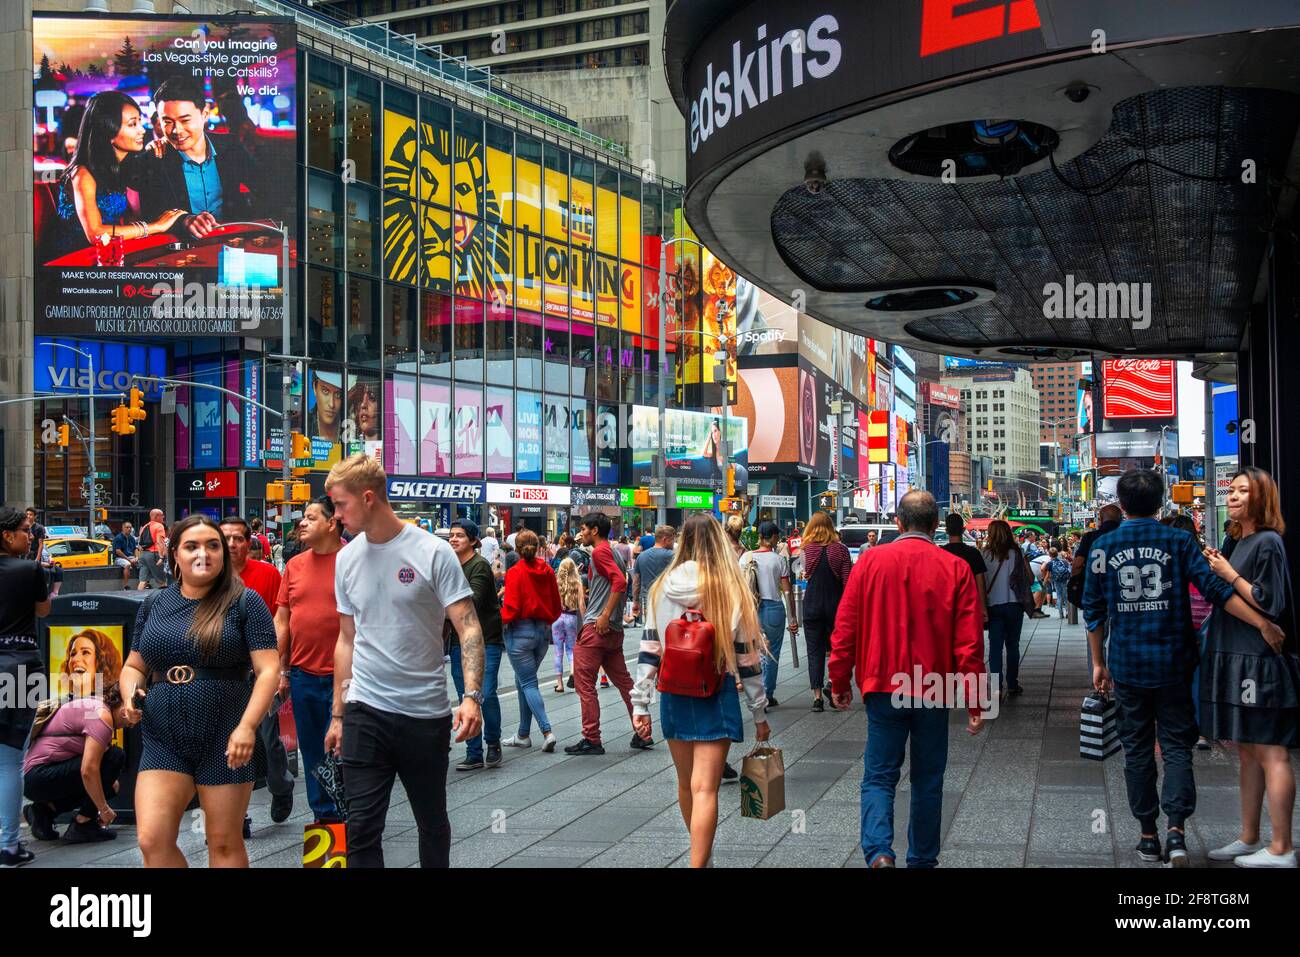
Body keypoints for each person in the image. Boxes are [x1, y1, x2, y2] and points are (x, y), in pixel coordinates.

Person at [1084, 468, 1284, 867]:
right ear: (1160, 503)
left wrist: (1098, 663)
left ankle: (1147, 835)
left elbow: (1093, 611)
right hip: (1175, 662)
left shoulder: (1103, 548)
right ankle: (1177, 831)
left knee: (1136, 750)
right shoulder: (1178, 541)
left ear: (1122, 504)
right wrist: (1261, 621)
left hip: (1127, 663)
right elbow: (1217, 591)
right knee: (1177, 747)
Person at [323, 454, 486, 868]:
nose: (335, 515)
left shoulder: (433, 552)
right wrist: (339, 714)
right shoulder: (346, 559)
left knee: (431, 821)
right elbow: (346, 639)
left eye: (340, 505)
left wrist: (471, 696)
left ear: (368, 498)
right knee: (360, 826)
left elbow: (467, 627)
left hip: (424, 713)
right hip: (365, 709)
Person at [830, 491, 985, 868]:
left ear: (898, 522)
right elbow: (970, 642)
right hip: (933, 686)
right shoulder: (955, 568)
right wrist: (976, 700)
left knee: (880, 775)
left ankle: (880, 851)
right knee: (928, 780)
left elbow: (845, 627)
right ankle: (922, 860)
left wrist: (838, 680)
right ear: (935, 526)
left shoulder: (870, 562)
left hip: (883, 682)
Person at [118, 514, 280, 867]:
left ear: (223, 554)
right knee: (152, 840)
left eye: (212, 546)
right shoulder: (154, 605)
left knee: (223, 842)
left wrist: (247, 727)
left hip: (226, 735)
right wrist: (131, 694)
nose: (202, 554)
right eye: (191, 546)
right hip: (163, 736)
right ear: (174, 553)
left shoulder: (244, 602)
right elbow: (133, 666)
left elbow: (268, 669)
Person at [635, 514, 770, 867]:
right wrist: (759, 711)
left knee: (685, 784)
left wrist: (640, 704)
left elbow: (650, 648)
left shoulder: (662, 586)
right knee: (705, 787)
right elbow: (746, 656)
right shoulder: (729, 586)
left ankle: (701, 858)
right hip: (716, 689)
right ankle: (699, 863)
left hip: (673, 690)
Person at [1199, 468, 1298, 868]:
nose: (1234, 496)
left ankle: (1282, 848)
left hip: (1256, 661)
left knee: (1270, 751)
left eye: (1244, 491)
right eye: (1233, 489)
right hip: (1235, 654)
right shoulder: (1236, 538)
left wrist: (1229, 573)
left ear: (1261, 499)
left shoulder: (1268, 542)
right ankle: (1249, 836)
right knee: (1247, 751)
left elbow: (1268, 602)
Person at [219, 516, 294, 825]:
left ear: (250, 542)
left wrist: (281, 670)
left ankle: (281, 785)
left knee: (266, 739)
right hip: (221, 676)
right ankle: (239, 814)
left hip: (258, 674)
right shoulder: (208, 576)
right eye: (226, 538)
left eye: (239, 538)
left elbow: (284, 622)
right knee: (223, 742)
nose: (233, 544)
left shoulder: (266, 574)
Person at [274, 497, 345, 822]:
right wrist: (281, 669)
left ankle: (353, 812)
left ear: (332, 522)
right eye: (303, 517)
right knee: (314, 751)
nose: (302, 523)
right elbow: (282, 621)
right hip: (303, 675)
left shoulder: (353, 560)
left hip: (347, 677)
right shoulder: (295, 565)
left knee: (346, 748)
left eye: (311, 518)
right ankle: (325, 816)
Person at [56, 91, 187, 255]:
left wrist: (154, 152)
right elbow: (95, 233)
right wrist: (156, 227)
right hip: (78, 260)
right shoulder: (82, 173)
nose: (142, 130)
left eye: (140, 121)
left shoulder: (124, 166)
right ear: (108, 130)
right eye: (132, 124)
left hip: (111, 253)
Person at [128, 77, 260, 236]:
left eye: (185, 120)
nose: (176, 130)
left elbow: (264, 187)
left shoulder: (230, 146)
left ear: (204, 114)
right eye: (167, 121)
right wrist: (184, 220)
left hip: (232, 240)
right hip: (181, 248)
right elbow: (151, 216)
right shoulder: (154, 159)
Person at [566, 513, 647, 755]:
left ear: (594, 530)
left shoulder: (600, 552)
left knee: (585, 685)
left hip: (597, 627)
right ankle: (644, 731)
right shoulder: (612, 551)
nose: (581, 533)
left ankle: (591, 737)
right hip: (613, 630)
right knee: (624, 682)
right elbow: (620, 580)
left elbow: (619, 583)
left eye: (583, 528)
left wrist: (603, 614)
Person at [0, 508, 52, 867]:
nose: (29, 535)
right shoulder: (29, 570)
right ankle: (7, 843)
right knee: (10, 759)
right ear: (6, 535)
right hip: (21, 665)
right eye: (24, 530)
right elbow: (44, 611)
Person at [22, 684, 127, 844]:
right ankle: (83, 824)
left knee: (112, 786)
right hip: (39, 775)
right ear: (120, 702)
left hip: (33, 778)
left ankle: (44, 811)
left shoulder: (94, 705)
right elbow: (88, 770)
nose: (132, 719)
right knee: (115, 756)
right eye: (133, 708)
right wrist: (103, 809)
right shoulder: (101, 715)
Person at [445, 519, 505, 771]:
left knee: (486, 693)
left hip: (486, 639)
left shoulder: (479, 565)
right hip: (458, 641)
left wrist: (441, 607)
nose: (454, 539)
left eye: (459, 535)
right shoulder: (449, 566)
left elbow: (474, 600)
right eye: (451, 535)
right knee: (465, 696)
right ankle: (473, 751)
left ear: (472, 540)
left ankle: (492, 743)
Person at [499, 529, 562, 753]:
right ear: (538, 547)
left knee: (527, 683)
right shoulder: (546, 570)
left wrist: (501, 619)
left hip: (520, 632)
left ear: (516, 547)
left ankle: (547, 730)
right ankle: (523, 734)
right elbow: (556, 603)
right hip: (542, 632)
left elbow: (512, 606)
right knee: (523, 681)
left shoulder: (515, 572)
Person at [740, 521, 799, 708]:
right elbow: (787, 591)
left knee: (755, 652)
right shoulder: (778, 560)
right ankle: (767, 693)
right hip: (773, 608)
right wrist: (793, 617)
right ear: (773, 537)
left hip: (751, 609)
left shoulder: (745, 558)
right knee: (772, 653)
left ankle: (755, 692)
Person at [801, 511, 853, 712]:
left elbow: (804, 573)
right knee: (838, 648)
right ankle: (833, 683)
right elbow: (848, 582)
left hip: (812, 605)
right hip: (835, 606)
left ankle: (816, 698)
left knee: (814, 651)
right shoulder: (841, 550)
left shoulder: (806, 549)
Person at [981, 520, 1032, 696]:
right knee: (1013, 645)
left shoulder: (984, 554)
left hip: (993, 605)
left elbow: (981, 583)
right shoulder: (1017, 552)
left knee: (995, 648)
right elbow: (1030, 579)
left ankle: (996, 687)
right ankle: (1012, 683)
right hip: (1014, 605)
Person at [552, 558, 584, 693]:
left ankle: (559, 684)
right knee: (571, 649)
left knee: (558, 652)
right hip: (571, 617)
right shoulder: (577, 583)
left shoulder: (555, 582)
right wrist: (585, 620)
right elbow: (581, 604)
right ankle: (572, 671)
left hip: (557, 618)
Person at [137, 508, 169, 590]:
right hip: (154, 555)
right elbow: (160, 542)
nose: (163, 517)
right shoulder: (159, 526)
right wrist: (161, 557)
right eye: (162, 516)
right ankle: (164, 602)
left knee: (143, 581)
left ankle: (135, 600)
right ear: (156, 516)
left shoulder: (144, 526)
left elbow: (139, 544)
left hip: (143, 555)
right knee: (162, 581)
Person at [1047, 547, 1073, 619]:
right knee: (1066, 596)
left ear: (1049, 555)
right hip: (1065, 580)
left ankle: (1061, 614)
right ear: (1057, 553)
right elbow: (1069, 570)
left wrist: (1048, 580)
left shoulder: (1050, 563)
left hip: (1056, 581)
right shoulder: (1064, 561)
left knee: (1059, 596)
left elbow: (1048, 574)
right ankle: (1068, 612)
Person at [113, 521, 139, 589]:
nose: (129, 529)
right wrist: (129, 560)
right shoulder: (118, 538)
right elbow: (118, 551)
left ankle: (145, 583)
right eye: (127, 527)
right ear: (123, 528)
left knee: (143, 563)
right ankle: (126, 586)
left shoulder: (132, 538)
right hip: (119, 558)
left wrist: (136, 557)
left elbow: (135, 549)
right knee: (127, 564)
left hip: (131, 557)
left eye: (130, 527)